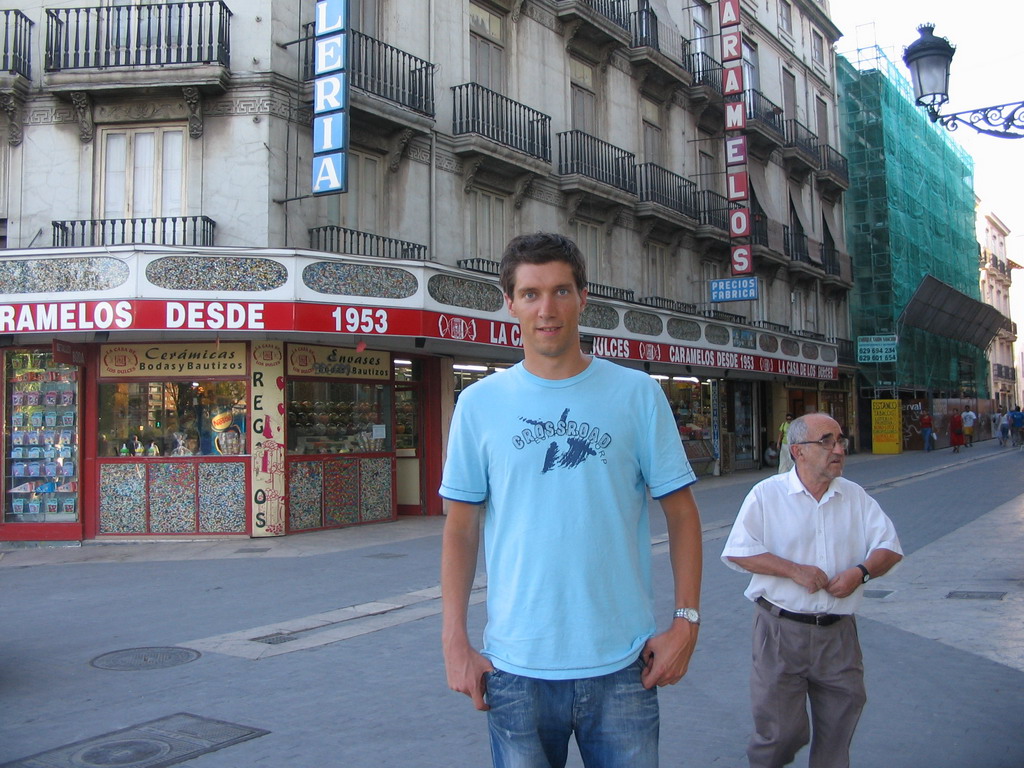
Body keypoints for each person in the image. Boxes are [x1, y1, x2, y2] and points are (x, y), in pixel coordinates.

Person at [440, 233, 703, 768]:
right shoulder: (478, 404)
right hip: (516, 668)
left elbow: (682, 514)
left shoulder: (638, 395)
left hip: (623, 665)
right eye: (531, 294)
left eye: (561, 291)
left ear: (584, 297)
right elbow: (460, 530)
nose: (547, 309)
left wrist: (686, 622)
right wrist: (454, 642)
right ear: (509, 302)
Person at [721, 413, 903, 768]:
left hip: (838, 636)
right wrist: (794, 571)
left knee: (838, 732)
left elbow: (889, 547)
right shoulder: (766, 495)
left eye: (840, 440)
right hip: (779, 632)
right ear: (798, 451)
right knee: (780, 736)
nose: (838, 449)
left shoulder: (855, 496)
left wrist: (860, 573)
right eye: (827, 441)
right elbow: (739, 551)